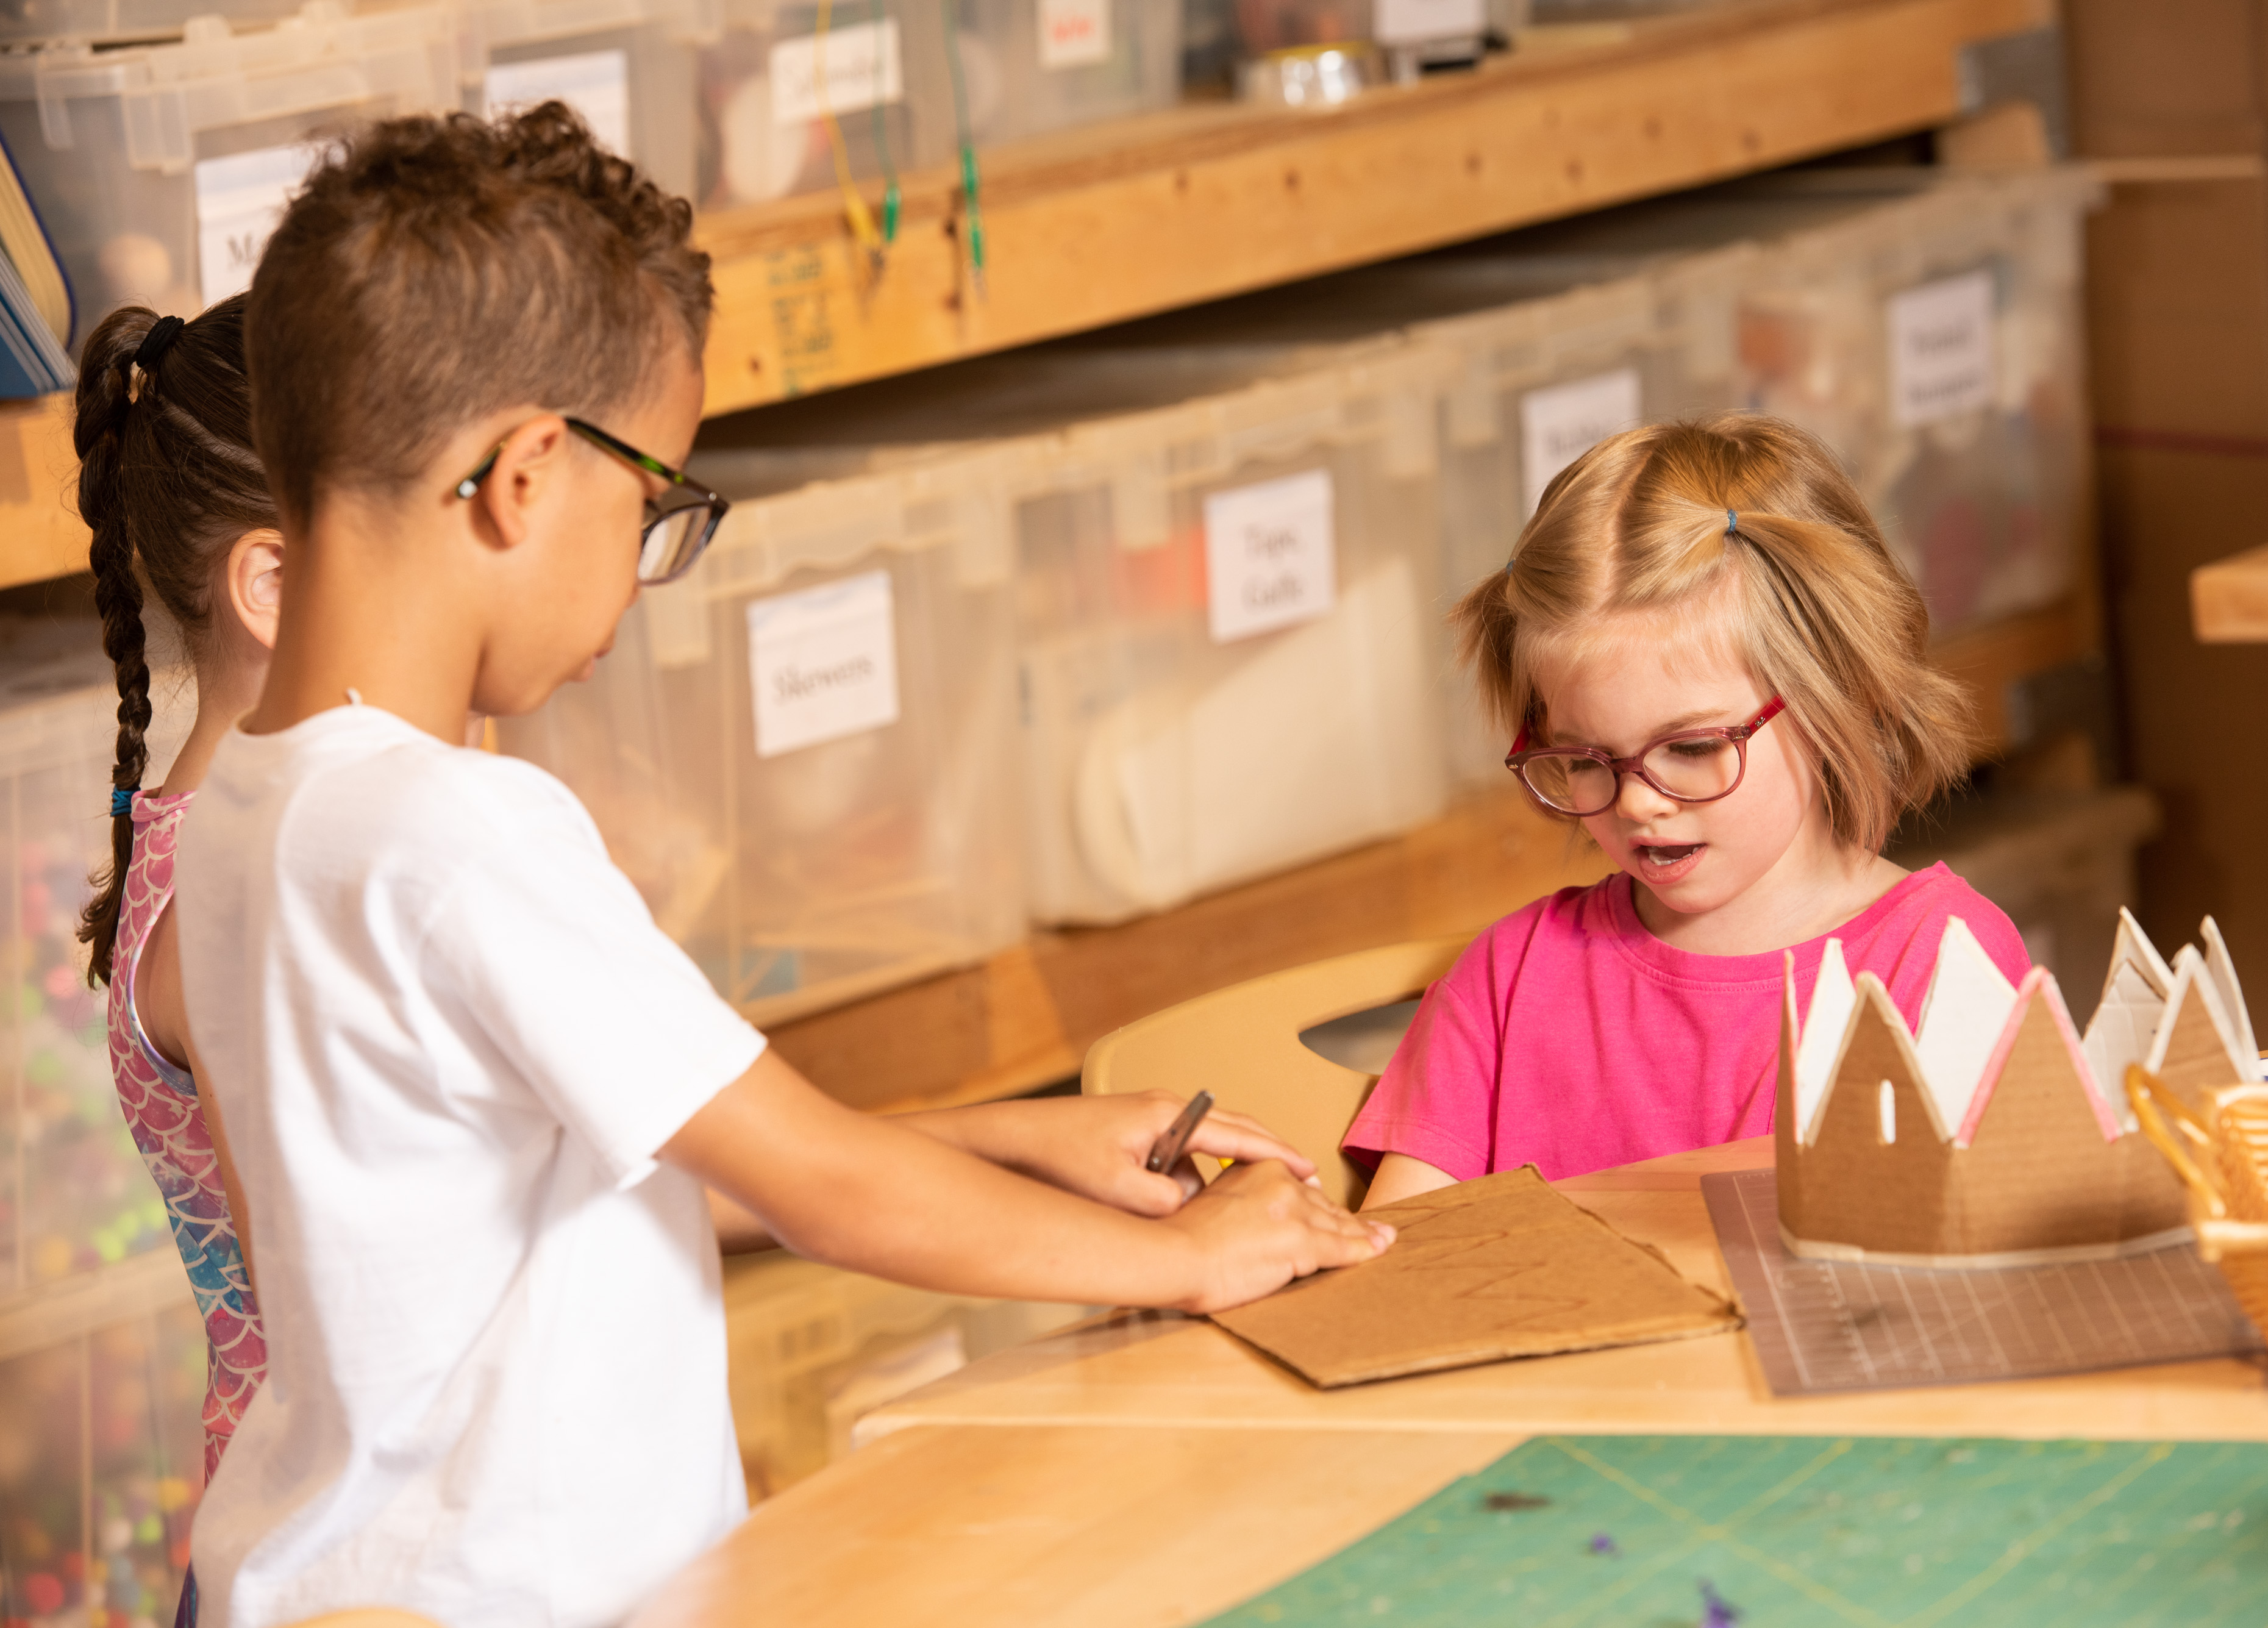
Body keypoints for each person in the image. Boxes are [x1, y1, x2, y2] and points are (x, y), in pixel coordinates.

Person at [176, 104, 1391, 1628]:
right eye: (655, 505)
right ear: (529, 476)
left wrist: (1011, 1142)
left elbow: (542, 1184)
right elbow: (815, 1188)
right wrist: (1194, 1263)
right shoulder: (462, 832)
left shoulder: (242, 818)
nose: (642, 572)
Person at [1349, 414, 2031, 1206]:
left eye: (1694, 747)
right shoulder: (1509, 978)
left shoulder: (1946, 959)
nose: (1638, 801)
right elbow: (1404, 1266)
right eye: (1584, 759)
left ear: (1836, 693)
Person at [73, 298, 281, 1603]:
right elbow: (339, 1304)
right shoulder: (236, 886)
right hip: (316, 1558)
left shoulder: (231, 834)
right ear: (269, 579)